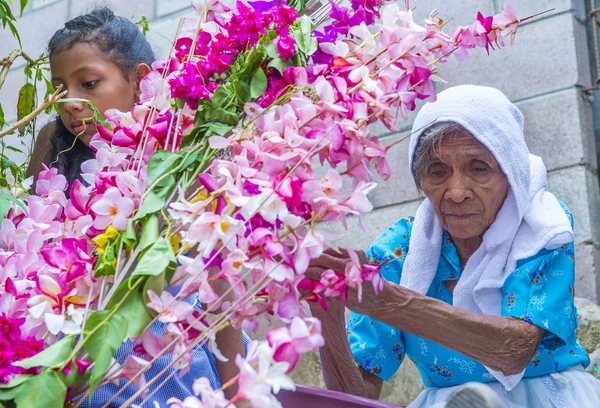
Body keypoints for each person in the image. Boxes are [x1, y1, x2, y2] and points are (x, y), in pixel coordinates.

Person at [308, 85, 600, 407]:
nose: (457, 191)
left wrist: (391, 302)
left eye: (478, 168)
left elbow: (513, 351)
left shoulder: (541, 229)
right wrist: (327, 314)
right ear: (421, 182)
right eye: (437, 171)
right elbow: (356, 398)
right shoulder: (398, 250)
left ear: (510, 173)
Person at [27, 8, 247, 407]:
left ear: (141, 79)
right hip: (77, 378)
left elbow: (222, 286)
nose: (71, 102)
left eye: (89, 83)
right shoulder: (53, 152)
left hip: (174, 370)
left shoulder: (186, 156)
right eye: (60, 88)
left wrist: (240, 395)